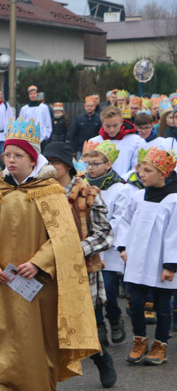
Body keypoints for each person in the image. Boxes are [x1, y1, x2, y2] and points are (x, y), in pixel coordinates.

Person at [0, 119, 99, 391]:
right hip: (2, 283)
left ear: (33, 159)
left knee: (34, 345)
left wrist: (39, 263)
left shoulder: (51, 192)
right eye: (7, 155)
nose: (11, 160)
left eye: (17, 155)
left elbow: (65, 238)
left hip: (37, 286)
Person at [43, 141, 117, 388]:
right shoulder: (40, 192)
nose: (51, 167)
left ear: (67, 164)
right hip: (48, 269)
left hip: (81, 270)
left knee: (89, 324)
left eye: (55, 162)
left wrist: (76, 251)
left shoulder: (87, 192)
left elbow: (105, 233)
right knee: (48, 326)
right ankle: (46, 381)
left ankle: (102, 358)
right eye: (48, 162)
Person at [115, 147, 177, 366]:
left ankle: (160, 344)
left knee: (161, 305)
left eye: (148, 170)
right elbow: (125, 221)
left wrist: (171, 264)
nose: (141, 174)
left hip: (161, 262)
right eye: (141, 169)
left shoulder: (173, 199)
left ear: (163, 174)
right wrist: (122, 246)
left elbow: (174, 233)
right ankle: (139, 340)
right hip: (137, 259)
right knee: (136, 302)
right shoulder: (138, 196)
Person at [81, 140, 133, 345]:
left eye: (95, 164)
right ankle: (98, 326)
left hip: (108, 248)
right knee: (90, 290)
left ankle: (114, 317)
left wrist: (101, 236)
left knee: (109, 289)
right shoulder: (83, 185)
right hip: (88, 245)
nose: (90, 168)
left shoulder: (120, 188)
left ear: (108, 164)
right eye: (88, 163)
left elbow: (120, 218)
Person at [86, 105, 146, 178]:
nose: (111, 129)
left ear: (121, 122)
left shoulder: (136, 141)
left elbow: (136, 166)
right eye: (108, 126)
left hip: (126, 185)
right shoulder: (94, 142)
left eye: (115, 125)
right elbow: (89, 166)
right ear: (102, 123)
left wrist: (122, 181)